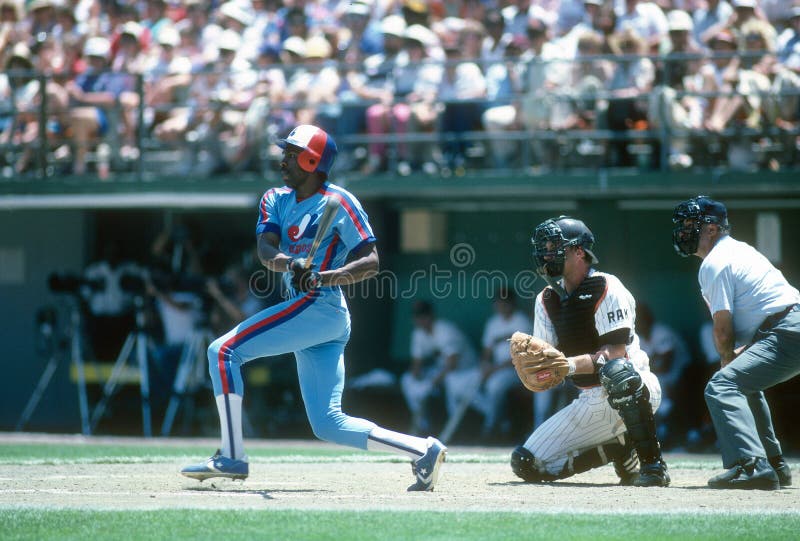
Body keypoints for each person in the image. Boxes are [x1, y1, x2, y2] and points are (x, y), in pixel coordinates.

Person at [180, 125, 447, 492]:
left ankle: (231, 455)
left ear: (312, 160)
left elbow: (371, 261)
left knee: (222, 351)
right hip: (308, 312)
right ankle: (422, 449)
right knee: (327, 424)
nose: (283, 160)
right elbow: (266, 251)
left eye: (292, 154)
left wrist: (325, 276)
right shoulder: (276, 198)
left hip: (320, 307)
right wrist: (292, 264)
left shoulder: (341, 201)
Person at [510, 216, 670, 487]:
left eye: (554, 245)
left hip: (637, 389)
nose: (547, 252)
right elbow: (549, 367)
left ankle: (653, 465)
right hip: (591, 401)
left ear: (579, 251)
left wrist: (568, 366)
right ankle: (620, 448)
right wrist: (537, 372)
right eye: (545, 246)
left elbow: (615, 354)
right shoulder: (546, 299)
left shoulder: (606, 286)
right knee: (526, 463)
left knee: (618, 371)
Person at [671, 195, 797, 490]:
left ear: (712, 229)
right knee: (740, 383)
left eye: (691, 224)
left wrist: (727, 358)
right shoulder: (738, 250)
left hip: (785, 329)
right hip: (784, 327)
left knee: (722, 385)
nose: (683, 231)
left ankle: (751, 465)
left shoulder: (715, 262)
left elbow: (723, 330)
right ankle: (773, 464)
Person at [401, 300, 482, 435]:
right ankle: (422, 425)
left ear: (430, 316)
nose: (420, 320)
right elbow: (416, 364)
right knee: (407, 379)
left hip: (467, 371)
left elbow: (452, 363)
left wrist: (432, 383)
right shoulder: (418, 333)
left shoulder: (445, 330)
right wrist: (418, 381)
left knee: (451, 383)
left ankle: (457, 431)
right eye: (417, 316)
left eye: (423, 316)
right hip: (443, 371)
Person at [478, 288, 531, 438]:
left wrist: (493, 369)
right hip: (497, 369)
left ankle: (490, 427)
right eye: (498, 302)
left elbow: (520, 357)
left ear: (512, 303)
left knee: (494, 385)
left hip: (518, 370)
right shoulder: (493, 323)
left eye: (504, 302)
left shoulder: (521, 321)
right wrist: (484, 365)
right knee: (470, 383)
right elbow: (487, 351)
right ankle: (502, 422)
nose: (501, 306)